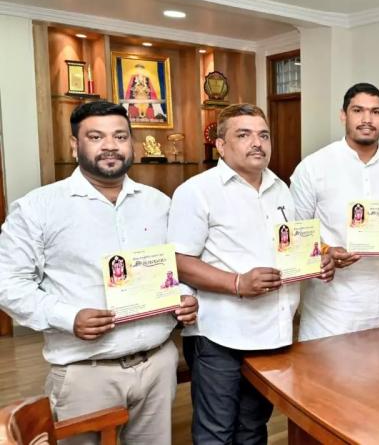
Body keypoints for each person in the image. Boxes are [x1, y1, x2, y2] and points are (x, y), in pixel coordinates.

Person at [0, 100, 198, 445]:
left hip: (158, 362)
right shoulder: (38, 208)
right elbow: (8, 283)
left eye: (120, 136)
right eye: (96, 137)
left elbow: (178, 265)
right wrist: (68, 317)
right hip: (86, 373)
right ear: (74, 144)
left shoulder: (159, 203)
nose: (110, 146)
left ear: (131, 143)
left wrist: (185, 296)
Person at [168, 103, 335, 444]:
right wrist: (237, 283)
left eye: (263, 135)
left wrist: (318, 259)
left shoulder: (281, 189)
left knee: (253, 430)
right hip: (219, 335)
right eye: (243, 135)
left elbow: (290, 246)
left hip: (272, 333)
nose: (256, 143)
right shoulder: (197, 191)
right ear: (221, 145)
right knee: (216, 434)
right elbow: (178, 261)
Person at [291, 83, 379, 341]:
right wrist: (326, 251)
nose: (367, 119)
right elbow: (296, 235)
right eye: (358, 110)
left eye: (375, 112)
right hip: (332, 309)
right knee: (327, 368)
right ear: (343, 115)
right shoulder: (313, 167)